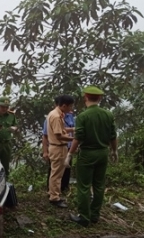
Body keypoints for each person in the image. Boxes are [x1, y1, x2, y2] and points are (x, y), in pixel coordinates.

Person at [65, 86, 118, 227]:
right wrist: (114, 151)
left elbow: (78, 137)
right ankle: (95, 215)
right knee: (99, 185)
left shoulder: (83, 116)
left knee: (83, 186)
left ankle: (84, 217)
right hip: (103, 153)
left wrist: (69, 154)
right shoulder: (108, 114)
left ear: (85, 98)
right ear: (100, 98)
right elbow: (113, 135)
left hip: (87, 154)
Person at [46, 94, 75, 208]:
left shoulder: (55, 114)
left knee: (56, 172)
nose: (71, 109)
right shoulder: (57, 116)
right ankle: (54, 198)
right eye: (70, 106)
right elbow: (59, 135)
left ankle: (52, 193)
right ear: (64, 105)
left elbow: (60, 130)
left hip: (56, 147)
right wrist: (74, 139)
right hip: (58, 147)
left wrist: (72, 129)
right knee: (57, 174)